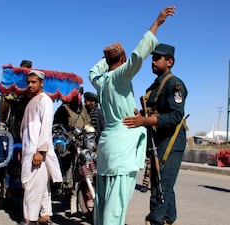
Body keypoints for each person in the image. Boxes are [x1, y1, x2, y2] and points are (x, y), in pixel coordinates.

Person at [89, 6, 175, 225]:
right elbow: (139, 55)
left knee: (102, 200)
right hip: (122, 146)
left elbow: (92, 72)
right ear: (123, 59)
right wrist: (157, 23)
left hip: (108, 144)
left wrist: (106, 58)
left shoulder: (100, 81)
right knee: (115, 205)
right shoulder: (119, 76)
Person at [123, 46, 188, 225]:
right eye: (153, 58)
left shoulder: (174, 84)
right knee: (164, 182)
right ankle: (167, 218)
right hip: (158, 138)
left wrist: (145, 121)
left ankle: (155, 221)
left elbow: (176, 116)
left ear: (169, 62)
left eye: (157, 58)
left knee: (160, 183)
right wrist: (141, 117)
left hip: (171, 140)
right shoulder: (156, 84)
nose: (152, 61)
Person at [20, 70, 62, 225]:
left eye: (34, 82)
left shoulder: (45, 100)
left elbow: (46, 127)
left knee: (32, 188)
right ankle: (44, 217)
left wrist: (40, 151)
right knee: (40, 187)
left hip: (37, 152)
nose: (30, 85)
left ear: (41, 83)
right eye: (28, 82)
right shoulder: (32, 101)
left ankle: (30, 220)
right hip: (29, 151)